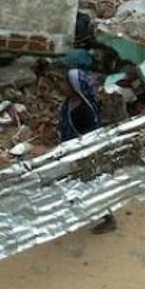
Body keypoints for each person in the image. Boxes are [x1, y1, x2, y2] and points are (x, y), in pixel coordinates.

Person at [58, 69, 117, 235]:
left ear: (73, 87)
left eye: (65, 83)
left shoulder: (83, 111)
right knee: (78, 182)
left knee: (92, 185)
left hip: (85, 153)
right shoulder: (72, 101)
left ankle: (109, 219)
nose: (62, 86)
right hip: (73, 151)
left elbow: (90, 139)